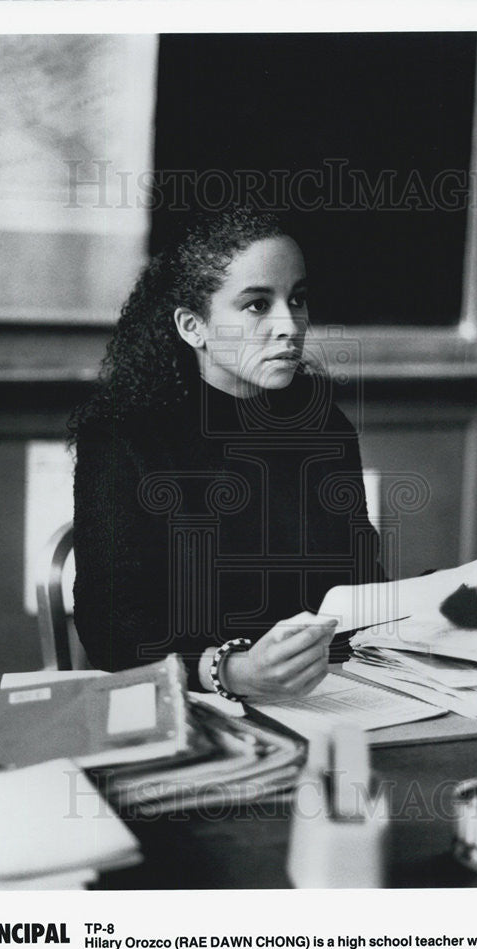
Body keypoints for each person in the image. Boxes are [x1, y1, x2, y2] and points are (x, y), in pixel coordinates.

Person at [69, 208, 384, 701]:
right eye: (258, 305)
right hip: (194, 700)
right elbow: (112, 628)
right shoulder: (122, 435)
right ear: (193, 327)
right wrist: (230, 671)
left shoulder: (322, 422)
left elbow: (362, 579)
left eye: (297, 298)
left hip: (333, 694)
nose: (290, 325)